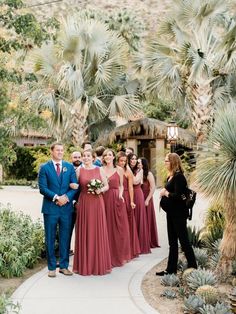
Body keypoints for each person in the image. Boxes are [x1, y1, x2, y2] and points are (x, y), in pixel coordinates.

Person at [38, 143, 78, 278]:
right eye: (57, 150)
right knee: (49, 237)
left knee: (65, 238)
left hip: (66, 209)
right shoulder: (44, 168)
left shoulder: (69, 167)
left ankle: (64, 266)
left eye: (62, 150)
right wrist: (56, 198)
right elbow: (42, 188)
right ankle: (51, 267)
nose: (60, 152)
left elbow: (75, 186)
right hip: (50, 208)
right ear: (52, 151)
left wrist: (66, 197)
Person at [156, 153, 197, 276]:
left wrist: (165, 193)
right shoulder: (171, 176)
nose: (165, 163)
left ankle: (193, 266)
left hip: (179, 214)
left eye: (167, 161)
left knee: (184, 241)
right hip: (171, 213)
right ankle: (170, 270)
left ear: (173, 162)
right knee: (172, 242)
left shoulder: (179, 177)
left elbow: (179, 197)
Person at [73, 149, 112, 275]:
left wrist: (100, 190)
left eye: (88, 156)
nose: (85, 158)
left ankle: (97, 264)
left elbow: (107, 186)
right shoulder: (79, 170)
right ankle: (85, 264)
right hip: (84, 202)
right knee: (85, 231)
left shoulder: (99, 169)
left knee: (97, 230)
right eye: (84, 156)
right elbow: (75, 186)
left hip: (97, 202)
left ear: (93, 158)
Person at [102, 149, 131, 267]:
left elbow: (121, 186)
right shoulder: (99, 169)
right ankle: (105, 256)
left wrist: (120, 195)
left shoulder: (119, 169)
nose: (108, 156)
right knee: (105, 227)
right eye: (105, 155)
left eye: (110, 154)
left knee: (117, 228)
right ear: (103, 158)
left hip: (115, 199)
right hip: (103, 199)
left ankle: (117, 256)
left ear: (114, 157)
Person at [117, 151, 141, 259]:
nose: (122, 163)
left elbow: (131, 187)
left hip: (126, 196)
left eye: (124, 161)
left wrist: (131, 201)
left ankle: (129, 249)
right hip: (115, 196)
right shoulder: (114, 169)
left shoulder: (128, 171)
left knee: (127, 223)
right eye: (120, 161)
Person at [128, 153, 151, 254]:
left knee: (137, 218)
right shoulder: (128, 169)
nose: (133, 161)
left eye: (135, 159)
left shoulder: (139, 170)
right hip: (127, 194)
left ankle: (139, 246)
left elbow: (135, 181)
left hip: (137, 194)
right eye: (132, 159)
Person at [140, 158, 160, 248]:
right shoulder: (137, 172)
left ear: (143, 164)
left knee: (147, 218)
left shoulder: (148, 173)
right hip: (139, 198)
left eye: (140, 163)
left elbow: (153, 187)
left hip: (147, 198)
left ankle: (149, 240)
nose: (138, 164)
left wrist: (147, 199)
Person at [69, 151, 82, 254]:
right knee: (68, 229)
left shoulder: (85, 169)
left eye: (79, 157)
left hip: (82, 204)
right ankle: (67, 250)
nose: (77, 159)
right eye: (75, 157)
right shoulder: (67, 169)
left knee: (82, 229)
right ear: (71, 158)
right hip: (68, 204)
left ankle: (80, 251)